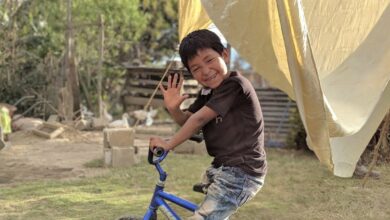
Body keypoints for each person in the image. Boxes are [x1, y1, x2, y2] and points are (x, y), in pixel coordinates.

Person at [149, 29, 267, 219]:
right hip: (223, 168)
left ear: (225, 55)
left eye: (209, 60)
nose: (205, 71)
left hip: (242, 173)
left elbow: (199, 120)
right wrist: (174, 109)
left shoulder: (235, 85)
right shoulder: (207, 93)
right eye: (195, 68)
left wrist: (168, 144)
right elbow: (188, 120)